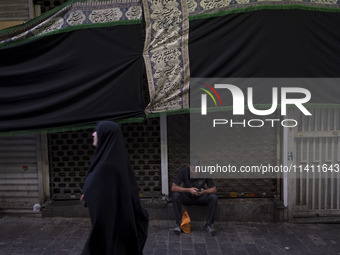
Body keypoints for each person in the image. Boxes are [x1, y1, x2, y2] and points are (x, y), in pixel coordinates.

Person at [81, 121, 149, 255]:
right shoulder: (113, 161)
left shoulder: (107, 166)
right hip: (115, 224)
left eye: (97, 131)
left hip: (110, 226)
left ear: (105, 135)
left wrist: (89, 194)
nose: (93, 134)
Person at [171, 160, 218, 236]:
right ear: (188, 165)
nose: (195, 171)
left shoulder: (204, 171)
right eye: (193, 169)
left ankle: (208, 225)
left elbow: (214, 189)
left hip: (201, 197)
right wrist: (189, 190)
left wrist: (204, 192)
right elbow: (173, 188)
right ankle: (179, 225)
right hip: (187, 197)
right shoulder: (183, 171)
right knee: (175, 195)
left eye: (197, 169)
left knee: (213, 197)